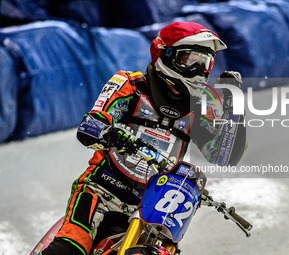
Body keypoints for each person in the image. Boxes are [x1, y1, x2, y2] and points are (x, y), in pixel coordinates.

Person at [41, 21, 246, 255]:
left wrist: (234, 109)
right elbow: (89, 126)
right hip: (101, 191)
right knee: (67, 250)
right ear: (166, 55)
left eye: (205, 64)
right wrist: (110, 132)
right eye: (191, 61)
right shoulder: (129, 84)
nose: (200, 72)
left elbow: (221, 155)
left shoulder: (200, 106)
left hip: (150, 208)